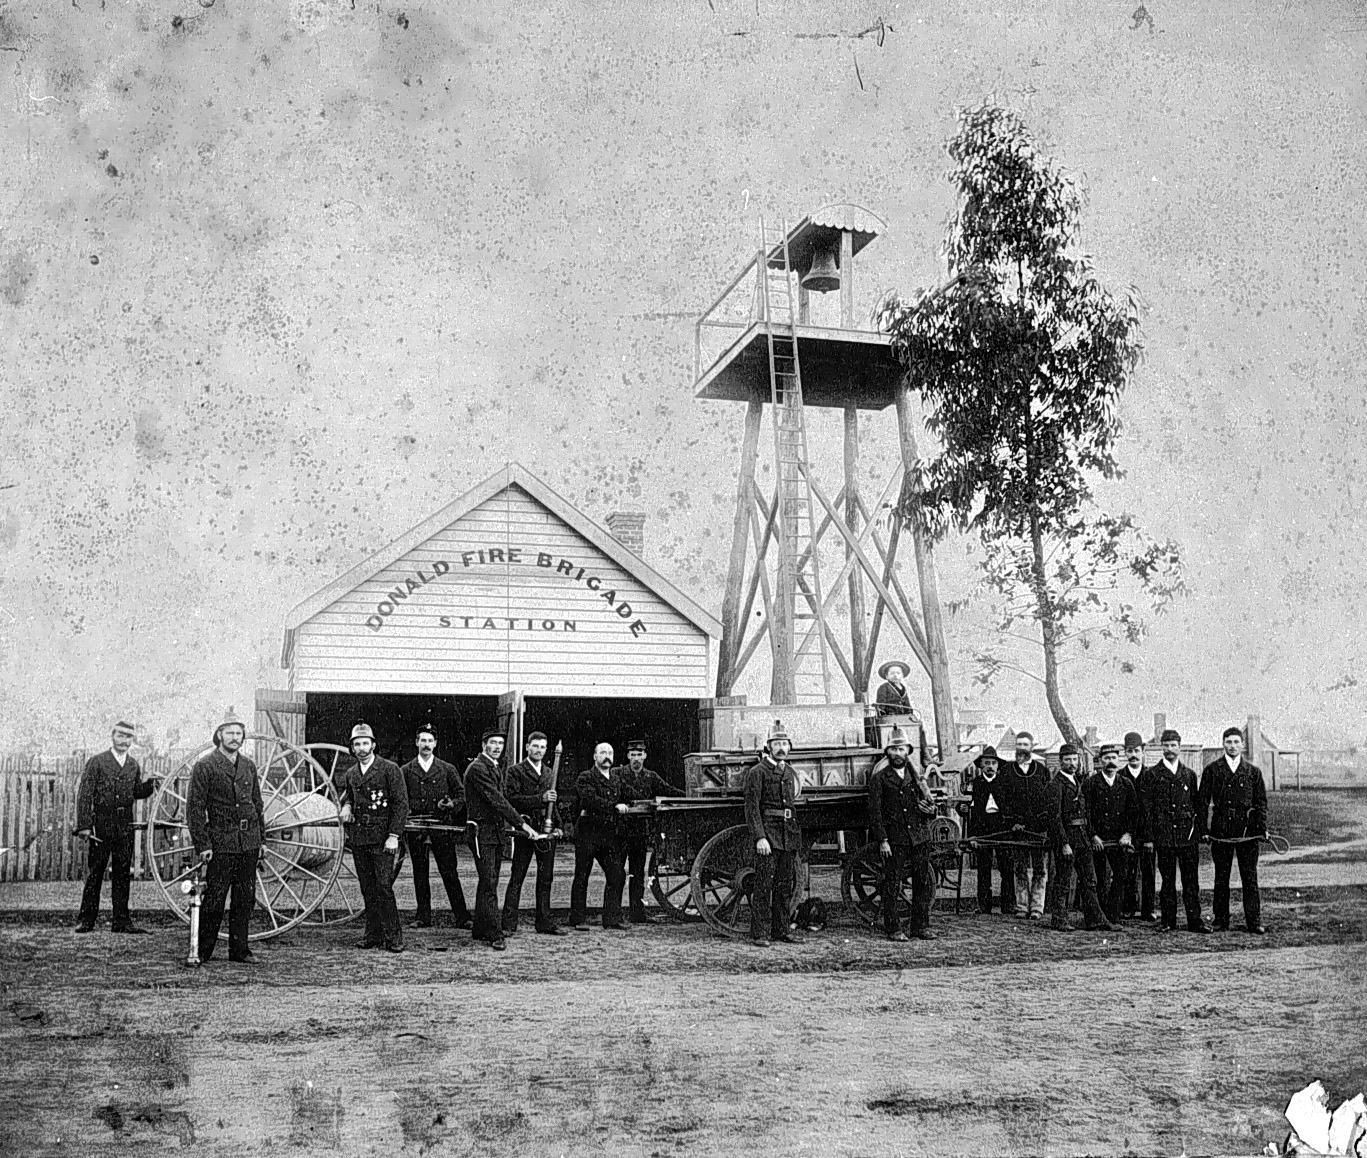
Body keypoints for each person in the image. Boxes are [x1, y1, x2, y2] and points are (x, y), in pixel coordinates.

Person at [186, 713, 265, 964]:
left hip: (249, 842)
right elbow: (195, 808)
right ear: (219, 735)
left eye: (239, 733)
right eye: (230, 733)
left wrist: (260, 840)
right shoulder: (205, 766)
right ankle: (202, 951)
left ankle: (239, 951)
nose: (235, 738)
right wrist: (203, 844)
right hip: (221, 841)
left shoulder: (248, 766)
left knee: (245, 899)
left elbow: (257, 804)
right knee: (215, 899)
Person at [464, 727, 546, 951]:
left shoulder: (494, 766)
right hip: (482, 833)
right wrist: (522, 824)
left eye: (500, 743)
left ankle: (481, 928)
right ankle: (494, 933)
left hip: (495, 833)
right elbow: (497, 800)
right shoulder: (477, 769)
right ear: (484, 745)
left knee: (488, 881)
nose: (497, 747)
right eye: (493, 743)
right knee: (489, 882)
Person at [73, 720, 157, 934]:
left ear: (132, 740)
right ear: (113, 736)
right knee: (95, 873)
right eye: (120, 736)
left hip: (124, 826)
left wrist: (150, 785)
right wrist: (85, 826)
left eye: (128, 737)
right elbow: (85, 795)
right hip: (101, 826)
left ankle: (121, 922)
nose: (124, 741)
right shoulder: (97, 762)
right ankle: (86, 920)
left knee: (122, 874)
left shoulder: (132, 765)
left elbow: (136, 792)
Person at [337, 722, 409, 953]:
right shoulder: (351, 773)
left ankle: (394, 937)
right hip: (359, 838)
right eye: (357, 744)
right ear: (352, 748)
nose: (361, 748)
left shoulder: (389, 769)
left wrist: (394, 835)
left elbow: (401, 804)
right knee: (367, 888)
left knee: (384, 887)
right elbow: (350, 797)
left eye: (365, 743)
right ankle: (373, 936)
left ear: (373, 745)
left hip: (382, 838)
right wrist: (347, 805)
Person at [867, 725, 937, 941]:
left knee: (922, 882)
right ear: (888, 752)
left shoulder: (917, 779)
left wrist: (931, 811)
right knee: (892, 884)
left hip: (919, 837)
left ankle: (920, 926)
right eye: (894, 749)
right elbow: (875, 812)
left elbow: (928, 806)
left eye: (902, 749)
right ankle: (894, 928)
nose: (898, 753)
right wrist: (883, 840)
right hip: (895, 839)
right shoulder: (880, 778)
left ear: (908, 751)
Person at [399, 725, 472, 930]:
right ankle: (423, 916)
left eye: (430, 741)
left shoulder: (447, 769)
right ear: (416, 743)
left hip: (442, 827)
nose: (426, 745)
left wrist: (451, 806)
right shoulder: (405, 770)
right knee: (419, 872)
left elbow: (461, 796)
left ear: (435, 744)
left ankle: (462, 916)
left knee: (449, 871)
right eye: (423, 740)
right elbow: (400, 799)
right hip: (417, 828)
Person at [1199, 727, 1268, 935]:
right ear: (1223, 744)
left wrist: (1261, 828)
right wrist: (1204, 829)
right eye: (1228, 742)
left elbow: (1261, 803)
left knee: (1250, 878)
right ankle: (1220, 920)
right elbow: (1202, 802)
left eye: (1236, 742)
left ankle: (1253, 921)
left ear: (1242, 745)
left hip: (1247, 832)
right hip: (1221, 831)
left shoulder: (1253, 772)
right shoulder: (1212, 770)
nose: (1232, 746)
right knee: (1221, 878)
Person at [1141, 727, 1210, 933]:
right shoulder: (1152, 775)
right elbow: (1147, 810)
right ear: (1162, 748)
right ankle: (1168, 921)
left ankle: (1195, 921)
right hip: (1164, 838)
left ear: (1180, 748)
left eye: (1173, 745)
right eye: (1166, 745)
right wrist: (1150, 838)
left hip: (1187, 837)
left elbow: (1197, 806)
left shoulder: (1188, 775)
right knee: (1167, 881)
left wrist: (1198, 831)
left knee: (1191, 882)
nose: (1170, 749)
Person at [743, 721, 805, 947]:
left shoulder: (788, 772)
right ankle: (760, 933)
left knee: (784, 886)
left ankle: (781, 930)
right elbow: (751, 808)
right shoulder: (757, 772)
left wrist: (795, 838)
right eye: (777, 743)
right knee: (763, 886)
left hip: (787, 836)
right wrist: (760, 837)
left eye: (785, 744)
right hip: (768, 836)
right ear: (768, 746)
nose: (781, 748)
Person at [1046, 743, 1116, 932]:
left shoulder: (1078, 783)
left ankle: (1095, 920)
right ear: (1061, 762)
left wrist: (1092, 835)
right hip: (1068, 840)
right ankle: (1059, 919)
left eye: (1074, 759)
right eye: (1067, 760)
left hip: (1083, 838)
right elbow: (1055, 817)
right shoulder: (1056, 785)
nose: (1071, 763)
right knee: (1063, 880)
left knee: (1089, 880)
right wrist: (1063, 843)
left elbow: (1086, 814)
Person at [501, 731, 564, 936]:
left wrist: (558, 825)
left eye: (542, 747)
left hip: (546, 831)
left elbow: (553, 803)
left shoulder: (549, 772)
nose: (538, 750)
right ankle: (509, 923)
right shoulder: (515, 771)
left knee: (546, 878)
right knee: (517, 876)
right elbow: (512, 799)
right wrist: (540, 798)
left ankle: (544, 921)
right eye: (535, 746)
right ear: (528, 747)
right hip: (526, 830)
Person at [568, 742, 630, 931]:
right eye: (603, 752)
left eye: (610, 752)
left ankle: (611, 918)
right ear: (595, 756)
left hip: (609, 835)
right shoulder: (586, 777)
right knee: (582, 875)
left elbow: (630, 794)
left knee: (617, 874)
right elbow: (589, 800)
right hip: (588, 832)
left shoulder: (616, 779)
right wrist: (614, 806)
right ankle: (577, 918)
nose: (607, 756)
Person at [616, 739, 673, 924]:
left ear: (645, 756)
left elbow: (667, 790)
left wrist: (689, 796)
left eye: (639, 755)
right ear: (627, 756)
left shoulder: (651, 777)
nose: (636, 759)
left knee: (638, 874)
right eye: (633, 755)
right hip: (620, 831)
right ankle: (614, 914)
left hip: (640, 832)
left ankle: (637, 914)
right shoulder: (618, 774)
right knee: (616, 873)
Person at [1084, 742, 1138, 925]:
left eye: (1114, 758)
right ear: (1100, 761)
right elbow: (1086, 812)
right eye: (1106, 758)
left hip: (1119, 840)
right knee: (1099, 878)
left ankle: (1113, 914)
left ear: (1119, 760)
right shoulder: (1091, 784)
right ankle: (1100, 916)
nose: (1110, 762)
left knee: (1121, 876)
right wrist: (1092, 835)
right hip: (1098, 840)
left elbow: (1133, 812)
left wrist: (1128, 834)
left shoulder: (1126, 784)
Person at [1001, 731, 1050, 920]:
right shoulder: (1007, 771)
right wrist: (1013, 822)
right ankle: (1022, 906)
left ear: (1032, 747)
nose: (1021, 748)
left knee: (1039, 869)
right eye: (1019, 744)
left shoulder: (1041, 770)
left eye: (1025, 745)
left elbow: (1047, 800)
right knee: (1020, 868)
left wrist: (1041, 824)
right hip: (1017, 829)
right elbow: (1003, 800)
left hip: (1037, 830)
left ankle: (1037, 907)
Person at [966, 746, 1015, 916]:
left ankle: (1008, 905)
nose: (990, 766)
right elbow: (970, 811)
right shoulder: (976, 785)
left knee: (1007, 868)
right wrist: (972, 835)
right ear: (981, 765)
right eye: (986, 763)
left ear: (997, 766)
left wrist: (1012, 826)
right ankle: (984, 906)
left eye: (993, 763)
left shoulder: (1005, 783)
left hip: (1002, 828)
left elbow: (1012, 808)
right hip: (983, 828)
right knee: (984, 868)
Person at [1120, 730, 1157, 921]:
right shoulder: (1119, 777)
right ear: (1124, 753)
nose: (1133, 755)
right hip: (1127, 834)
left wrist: (1150, 838)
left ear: (1143, 751)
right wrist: (1125, 833)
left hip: (1147, 834)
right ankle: (1128, 906)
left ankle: (1148, 908)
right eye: (1129, 751)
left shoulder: (1152, 776)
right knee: (1127, 871)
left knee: (1148, 871)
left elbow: (1155, 810)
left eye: (1136, 750)